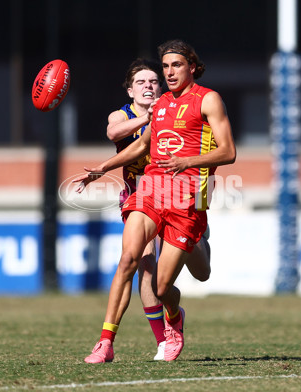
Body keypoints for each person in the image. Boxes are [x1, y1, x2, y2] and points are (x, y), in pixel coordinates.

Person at [77, 39, 236, 362]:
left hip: (188, 197)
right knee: (129, 260)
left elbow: (228, 152)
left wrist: (187, 163)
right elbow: (140, 146)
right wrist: (102, 168)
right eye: (165, 66)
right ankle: (105, 342)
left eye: (176, 65)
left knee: (164, 288)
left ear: (192, 66)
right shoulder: (161, 104)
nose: (169, 72)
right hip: (150, 191)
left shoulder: (209, 100)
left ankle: (175, 317)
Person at [106, 58, 211, 360]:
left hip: (184, 190)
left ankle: (198, 241)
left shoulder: (175, 108)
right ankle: (163, 340)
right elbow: (115, 133)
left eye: (153, 81)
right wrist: (149, 119)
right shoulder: (125, 114)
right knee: (144, 263)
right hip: (141, 194)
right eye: (141, 82)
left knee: (200, 273)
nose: (149, 86)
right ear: (130, 91)